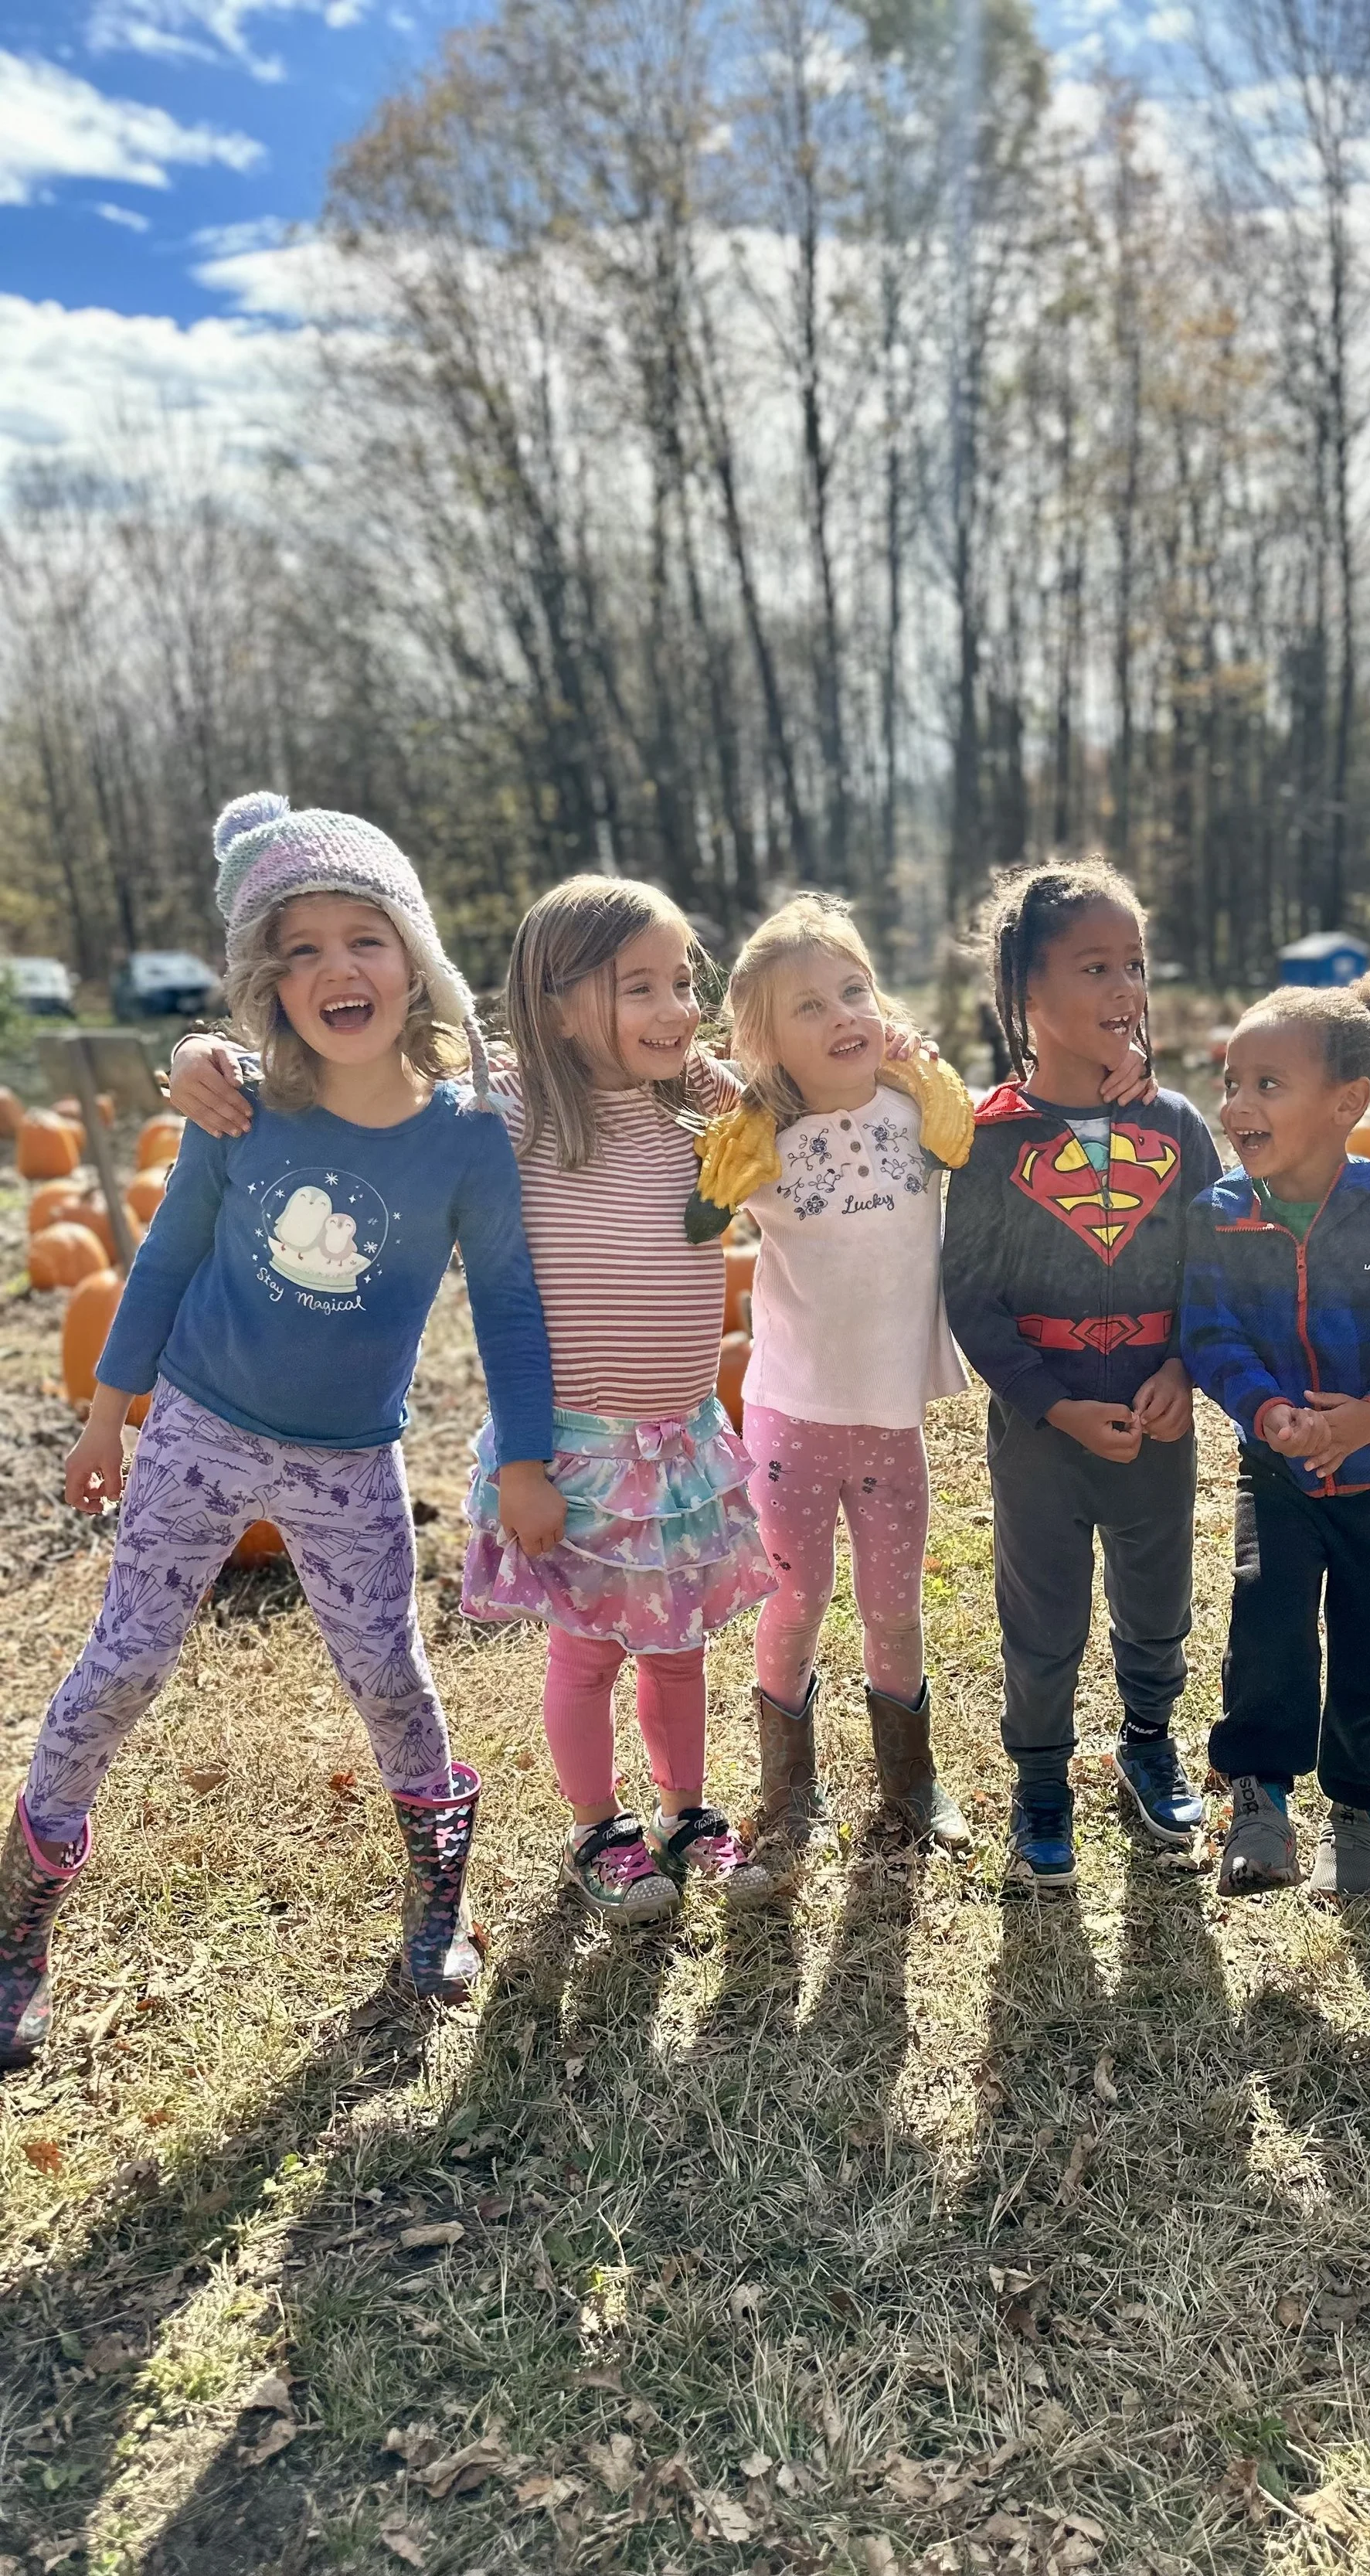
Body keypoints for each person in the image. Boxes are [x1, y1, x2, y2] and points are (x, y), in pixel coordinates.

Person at [0, 792, 557, 2067]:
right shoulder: (239, 1109)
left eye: (358, 935)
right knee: (129, 1655)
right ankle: (21, 1916)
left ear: (411, 951)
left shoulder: (468, 1133)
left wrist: (525, 1452)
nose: (331, 969)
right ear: (266, 980)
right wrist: (103, 1420)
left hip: (347, 1456)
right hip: (198, 1424)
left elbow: (515, 1306)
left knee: (386, 1670)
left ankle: (436, 1897)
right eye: (295, 948)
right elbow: (160, 1265)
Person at [175, 873, 778, 1926]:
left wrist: (748, 1098)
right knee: (589, 1650)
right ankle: (599, 1825)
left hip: (682, 1442)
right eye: (638, 987)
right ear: (552, 1003)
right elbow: (363, 1056)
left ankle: (687, 1809)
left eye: (683, 982)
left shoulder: (691, 1115)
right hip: (576, 1446)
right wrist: (206, 1059)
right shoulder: (510, 1112)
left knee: (680, 1648)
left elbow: (791, 1137)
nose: (677, 1007)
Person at [942, 858, 1222, 1894]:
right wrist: (1051, 1402)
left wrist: (1186, 1365)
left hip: (1155, 1422)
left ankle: (1147, 1742)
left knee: (1157, 1599)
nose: (1124, 991)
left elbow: (1217, 1267)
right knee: (1043, 1612)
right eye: (1094, 966)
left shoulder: (1177, 1129)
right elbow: (971, 1298)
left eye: (1135, 966)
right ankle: (1042, 1780)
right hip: (1043, 1432)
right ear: (1026, 995)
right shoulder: (986, 1138)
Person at [682, 893, 975, 1873]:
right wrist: (734, 1136)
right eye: (807, 1008)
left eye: (853, 990)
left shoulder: (912, 1116)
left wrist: (916, 1061)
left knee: (893, 1607)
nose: (841, 1013)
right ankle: (788, 1790)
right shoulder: (761, 1142)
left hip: (889, 1421)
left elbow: (965, 1131)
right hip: (790, 1419)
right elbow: (693, 1224)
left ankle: (911, 1783)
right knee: (796, 1603)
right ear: (761, 1044)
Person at [1181, 978, 1370, 1897]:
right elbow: (1210, 1335)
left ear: (1348, 1102)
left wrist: (1369, 1417)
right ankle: (1259, 1800)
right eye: (1232, 1081)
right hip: (1274, 1472)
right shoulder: (1220, 1218)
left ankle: (1360, 1810)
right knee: (1265, 1635)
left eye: (1268, 1084)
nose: (1236, 1105)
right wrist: (1269, 1412)